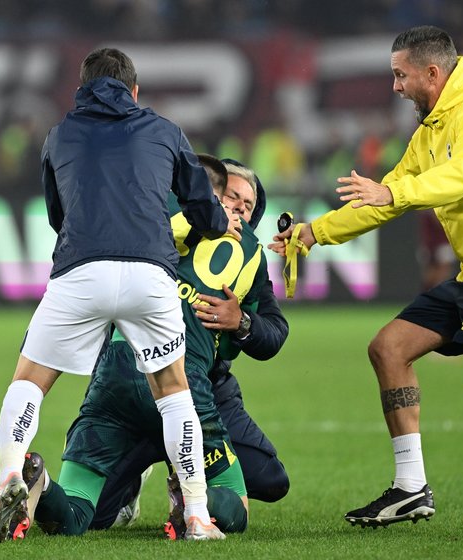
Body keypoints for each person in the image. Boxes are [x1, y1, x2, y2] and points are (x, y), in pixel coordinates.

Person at [270, 26, 463, 534]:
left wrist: (391, 195)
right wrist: (311, 233)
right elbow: (384, 198)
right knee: (389, 348)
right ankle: (411, 488)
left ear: (432, 74)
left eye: (400, 75)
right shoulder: (431, 131)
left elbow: (460, 179)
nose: (395, 87)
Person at [0, 48, 240, 544]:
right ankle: (199, 515)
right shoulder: (165, 131)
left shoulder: (59, 135)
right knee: (173, 389)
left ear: (81, 87)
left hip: (82, 271)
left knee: (30, 379)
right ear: (134, 91)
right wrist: (213, 225)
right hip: (150, 274)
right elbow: (205, 212)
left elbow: (59, 217)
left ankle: (11, 474)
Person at [23, 157, 283, 540]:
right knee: (236, 504)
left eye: (247, 205)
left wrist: (242, 321)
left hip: (119, 373)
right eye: (231, 197)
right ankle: (192, 500)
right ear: (209, 192)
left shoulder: (151, 215)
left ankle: (39, 483)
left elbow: (273, 331)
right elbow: (239, 344)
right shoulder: (251, 253)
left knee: (81, 513)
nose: (238, 209)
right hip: (184, 379)